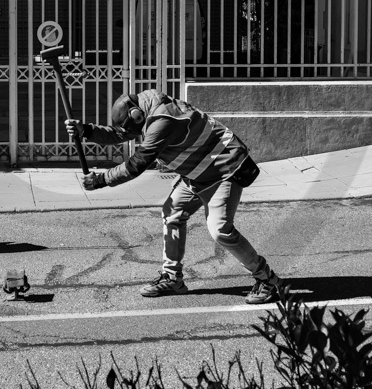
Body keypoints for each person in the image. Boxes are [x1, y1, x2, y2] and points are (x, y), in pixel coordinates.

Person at [66, 90, 277, 305]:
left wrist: (101, 180)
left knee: (220, 229)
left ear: (137, 115)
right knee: (172, 213)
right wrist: (87, 131)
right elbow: (122, 133)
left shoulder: (163, 120)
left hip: (223, 169)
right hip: (197, 172)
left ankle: (267, 280)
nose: (133, 131)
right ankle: (172, 278)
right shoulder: (148, 111)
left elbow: (136, 164)